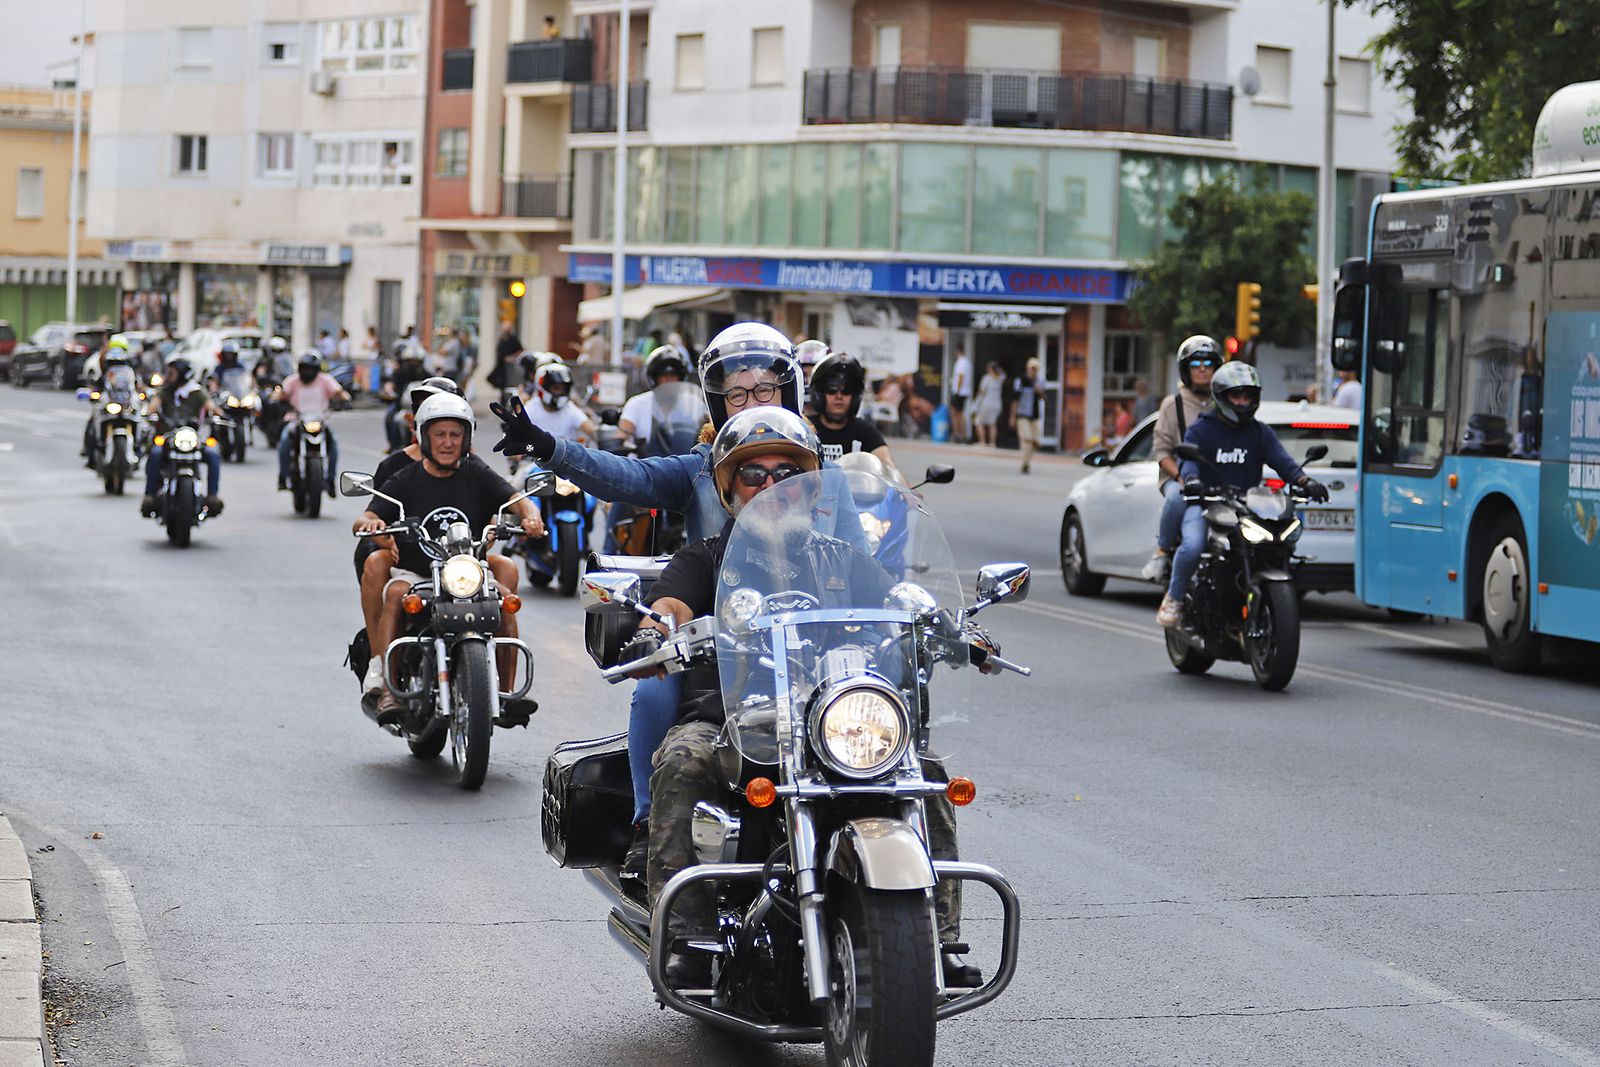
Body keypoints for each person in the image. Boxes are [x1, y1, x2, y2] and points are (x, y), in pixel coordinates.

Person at [489, 322, 868, 877]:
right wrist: (550, 449)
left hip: (814, 652)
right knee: (655, 691)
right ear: (718, 402)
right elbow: (626, 475)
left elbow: (862, 566)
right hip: (716, 645)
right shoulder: (702, 468)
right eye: (737, 393)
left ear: (788, 391)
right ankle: (649, 824)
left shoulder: (820, 476)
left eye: (765, 389)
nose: (752, 401)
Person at [631, 407, 984, 989]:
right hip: (734, 721)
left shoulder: (841, 558)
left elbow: (899, 602)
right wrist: (655, 629)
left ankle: (939, 940)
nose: (771, 486)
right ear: (730, 489)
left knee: (925, 773)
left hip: (833, 720)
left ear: (809, 487)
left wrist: (951, 630)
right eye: (754, 474)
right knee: (682, 759)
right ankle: (686, 937)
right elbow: (670, 605)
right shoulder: (705, 560)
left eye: (787, 474)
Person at [354, 394, 545, 726]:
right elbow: (366, 517)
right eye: (439, 434)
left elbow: (515, 497)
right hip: (418, 573)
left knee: (504, 599)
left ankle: (507, 691)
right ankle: (387, 689)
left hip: (468, 570)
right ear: (424, 437)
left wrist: (531, 515)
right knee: (396, 593)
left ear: (466, 438)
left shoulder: (477, 472)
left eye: (455, 434)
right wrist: (373, 525)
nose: (447, 442)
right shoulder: (405, 478)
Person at [1157, 361, 1328, 627]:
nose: (1243, 402)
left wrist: (1305, 481)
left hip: (1248, 507)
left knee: (1278, 544)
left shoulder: (1260, 432)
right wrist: (1192, 481)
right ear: (1221, 397)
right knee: (1192, 546)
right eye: (1236, 396)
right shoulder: (1201, 430)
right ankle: (1174, 598)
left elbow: (1283, 462)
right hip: (1207, 504)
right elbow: (1188, 462)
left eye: (1248, 396)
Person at [1141, 336, 1221, 583]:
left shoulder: (1224, 403)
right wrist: (1180, 477)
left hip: (1217, 478)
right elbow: (1162, 452)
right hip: (1179, 477)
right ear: (1186, 369)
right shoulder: (1172, 404)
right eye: (1195, 364)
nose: (1202, 369)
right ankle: (1162, 551)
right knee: (1177, 497)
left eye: (1208, 363)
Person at [140, 357, 224, 516]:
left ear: (182, 375)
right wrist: (147, 413)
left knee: (213, 454)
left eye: (171, 373)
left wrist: (222, 415)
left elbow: (212, 407)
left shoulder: (197, 392)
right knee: (155, 453)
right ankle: (149, 495)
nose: (168, 377)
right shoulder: (165, 391)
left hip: (192, 437)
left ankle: (213, 496)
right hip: (168, 436)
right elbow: (153, 406)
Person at [274, 352, 350, 494]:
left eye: (309, 369)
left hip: (320, 421)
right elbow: (279, 395)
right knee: (284, 441)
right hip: (296, 420)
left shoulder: (325, 380)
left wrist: (344, 399)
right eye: (304, 368)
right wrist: (278, 398)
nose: (306, 372)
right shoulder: (292, 381)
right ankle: (283, 477)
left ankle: (331, 479)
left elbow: (340, 393)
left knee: (334, 444)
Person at [809, 351, 895, 468]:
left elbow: (888, 466)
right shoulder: (807, 429)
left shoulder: (864, 431)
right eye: (831, 389)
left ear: (855, 396)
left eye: (847, 390)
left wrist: (895, 477)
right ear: (819, 394)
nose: (839, 396)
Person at [1008, 357, 1046, 474]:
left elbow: (1044, 397)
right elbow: (1015, 399)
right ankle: (1024, 464)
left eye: (1035, 369)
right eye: (1031, 368)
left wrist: (1039, 391)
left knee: (1035, 441)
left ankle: (1027, 461)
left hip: (1034, 415)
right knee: (1027, 439)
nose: (1033, 371)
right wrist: (1012, 416)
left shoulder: (1040, 382)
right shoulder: (1021, 381)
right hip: (1022, 414)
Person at [972, 360, 1004, 446]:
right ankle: (992, 443)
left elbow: (981, 392)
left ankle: (982, 441)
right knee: (992, 424)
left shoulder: (986, 378)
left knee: (979, 422)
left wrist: (976, 403)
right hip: (996, 404)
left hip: (986, 404)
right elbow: (1003, 374)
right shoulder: (1000, 378)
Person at [949, 347, 973, 443]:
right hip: (963, 392)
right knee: (959, 413)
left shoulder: (961, 362)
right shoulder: (967, 362)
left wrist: (957, 391)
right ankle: (961, 434)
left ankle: (959, 434)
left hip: (959, 392)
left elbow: (960, 376)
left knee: (956, 413)